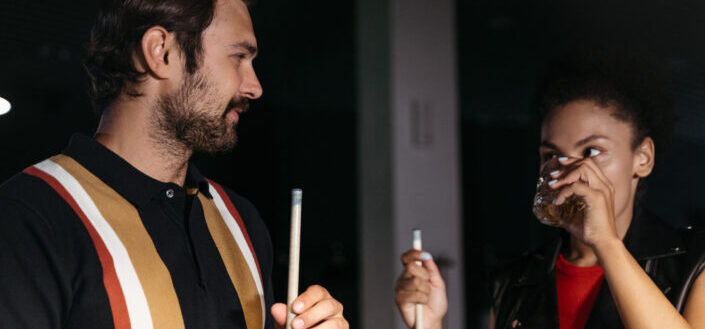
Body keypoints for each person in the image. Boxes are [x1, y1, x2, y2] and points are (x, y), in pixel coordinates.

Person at [0, 1, 348, 329]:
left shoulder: (242, 223)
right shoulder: (29, 215)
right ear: (161, 52)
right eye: (238, 57)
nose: (254, 86)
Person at [394, 52, 705, 329]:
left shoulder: (692, 264)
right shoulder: (516, 280)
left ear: (643, 158)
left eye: (592, 152)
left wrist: (605, 242)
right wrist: (429, 322)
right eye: (550, 155)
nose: (569, 171)